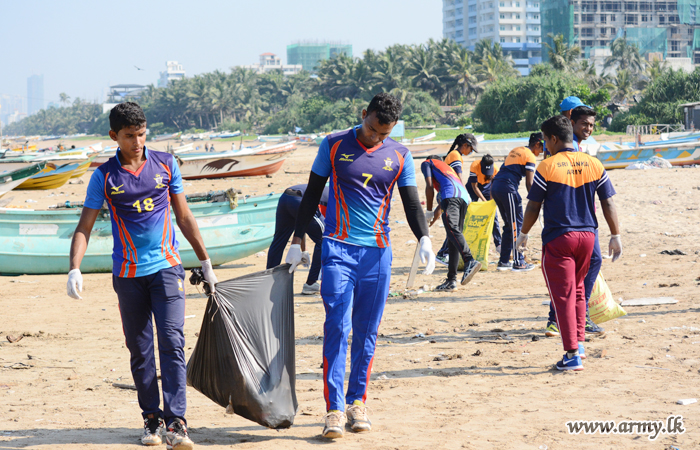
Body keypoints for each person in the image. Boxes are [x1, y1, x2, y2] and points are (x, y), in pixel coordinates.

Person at [66, 102, 218, 449]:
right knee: (140, 349)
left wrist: (205, 261)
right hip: (128, 275)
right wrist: (74, 266)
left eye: (142, 133)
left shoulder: (165, 164)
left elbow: (184, 217)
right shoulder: (104, 176)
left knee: (173, 343)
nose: (137, 142)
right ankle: (152, 419)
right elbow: (84, 227)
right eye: (130, 136)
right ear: (113, 136)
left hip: (166, 269)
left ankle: (176, 422)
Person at [285, 93, 435, 439]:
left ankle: (357, 402)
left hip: (378, 255)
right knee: (337, 327)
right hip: (337, 249)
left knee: (367, 333)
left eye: (384, 134)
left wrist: (424, 238)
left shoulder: (399, 155)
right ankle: (335, 410)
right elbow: (311, 193)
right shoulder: (334, 145)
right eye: (372, 130)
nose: (376, 138)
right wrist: (297, 240)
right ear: (363, 114)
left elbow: (412, 203)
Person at [516, 115, 621, 371]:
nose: (545, 147)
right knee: (578, 292)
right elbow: (608, 202)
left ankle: (572, 354)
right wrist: (615, 235)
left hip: (559, 238)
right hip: (588, 237)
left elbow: (533, 205)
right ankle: (579, 345)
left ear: (553, 139)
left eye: (545, 141)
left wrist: (524, 233)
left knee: (562, 296)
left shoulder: (548, 166)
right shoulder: (593, 163)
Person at [544, 106, 606, 337]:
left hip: (583, 220)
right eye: (584, 124)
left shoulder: (579, 150)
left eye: (591, 125)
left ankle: (567, 318)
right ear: (571, 123)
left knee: (579, 269)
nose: (588, 129)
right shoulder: (565, 152)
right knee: (577, 269)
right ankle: (565, 319)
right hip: (572, 223)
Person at [422, 155, 481, 290]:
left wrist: (428, 210)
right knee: (453, 237)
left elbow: (429, 187)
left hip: (451, 196)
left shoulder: (428, 162)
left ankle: (469, 260)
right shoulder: (447, 169)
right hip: (464, 198)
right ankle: (451, 280)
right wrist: (430, 219)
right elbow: (442, 204)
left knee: (452, 229)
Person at [490, 132, 543, 272]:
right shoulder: (530, 155)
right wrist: (537, 201)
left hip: (496, 187)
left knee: (509, 225)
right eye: (542, 147)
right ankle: (519, 262)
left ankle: (503, 261)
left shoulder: (517, 150)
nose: (542, 151)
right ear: (537, 144)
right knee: (517, 225)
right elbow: (529, 184)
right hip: (507, 188)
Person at [266, 183, 329, 295]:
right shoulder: (338, 201)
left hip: (286, 197)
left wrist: (303, 250)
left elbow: (301, 223)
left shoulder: (328, 191)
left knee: (279, 240)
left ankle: (267, 283)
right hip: (300, 200)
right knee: (325, 239)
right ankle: (311, 283)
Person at [433, 133, 478, 266]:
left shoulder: (454, 155)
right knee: (455, 227)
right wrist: (465, 194)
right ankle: (443, 253)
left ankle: (444, 253)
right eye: (471, 149)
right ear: (465, 145)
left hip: (448, 193)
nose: (470, 152)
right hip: (452, 194)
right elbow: (458, 178)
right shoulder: (455, 156)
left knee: (455, 226)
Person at [466, 154, 502, 251]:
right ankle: (467, 241)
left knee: (493, 215)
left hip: (487, 188)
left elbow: (493, 187)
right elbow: (474, 187)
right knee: (468, 213)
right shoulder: (474, 165)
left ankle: (498, 244)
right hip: (473, 187)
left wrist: (490, 202)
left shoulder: (495, 169)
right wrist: (484, 201)